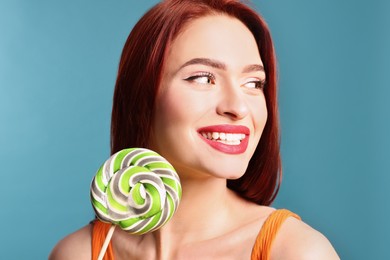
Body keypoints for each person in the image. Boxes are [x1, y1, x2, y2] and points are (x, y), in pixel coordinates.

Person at [50, 0, 339, 259]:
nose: (238, 107)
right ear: (142, 96)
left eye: (254, 83)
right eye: (203, 78)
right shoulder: (80, 253)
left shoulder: (295, 252)